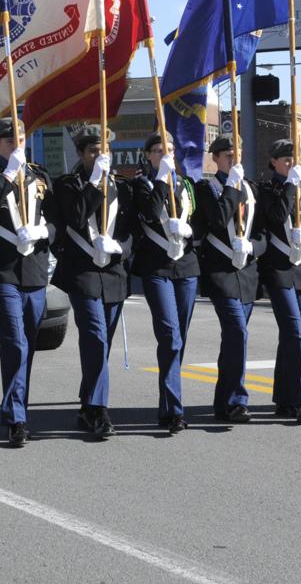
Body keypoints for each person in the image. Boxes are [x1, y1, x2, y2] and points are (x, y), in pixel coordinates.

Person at [0, 118, 56, 448]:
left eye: (21, 137)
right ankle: (16, 417)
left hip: (33, 270)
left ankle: (18, 403)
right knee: (15, 341)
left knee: (28, 343)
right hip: (3, 270)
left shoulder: (39, 175)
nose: (17, 143)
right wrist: (8, 174)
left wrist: (43, 232)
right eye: (9, 140)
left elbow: (57, 221)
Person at [52, 125, 131, 439]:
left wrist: (121, 248)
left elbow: (131, 230)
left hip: (113, 272)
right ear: (82, 154)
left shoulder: (123, 187)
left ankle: (87, 403)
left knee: (102, 344)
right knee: (95, 337)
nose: (100, 156)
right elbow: (75, 215)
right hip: (82, 272)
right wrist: (95, 180)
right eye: (92, 151)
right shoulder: (68, 184)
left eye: (103, 151)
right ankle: (98, 411)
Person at [130, 132, 199, 434]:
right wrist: (161, 179)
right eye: (159, 150)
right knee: (170, 336)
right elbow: (146, 211)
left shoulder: (185, 185)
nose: (165, 154)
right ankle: (173, 410)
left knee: (179, 338)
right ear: (148, 155)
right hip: (156, 267)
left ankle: (168, 399)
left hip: (185, 266)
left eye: (169, 149)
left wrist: (187, 230)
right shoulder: (141, 184)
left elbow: (200, 222)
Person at [191, 134, 262, 424]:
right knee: (237, 334)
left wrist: (254, 247)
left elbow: (263, 232)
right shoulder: (207, 188)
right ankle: (236, 399)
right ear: (215, 159)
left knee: (235, 340)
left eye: (238, 154)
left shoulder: (251, 187)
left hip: (246, 272)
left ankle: (224, 400)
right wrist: (232, 185)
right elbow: (219, 219)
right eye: (228, 155)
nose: (234, 159)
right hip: (220, 271)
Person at [254, 138, 301, 423]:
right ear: (274, 162)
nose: (292, 163)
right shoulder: (267, 188)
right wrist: (290, 185)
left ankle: (283, 396)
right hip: (278, 268)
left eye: (294, 158)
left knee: (291, 335)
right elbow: (277, 215)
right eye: (286, 159)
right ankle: (299, 397)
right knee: (294, 332)